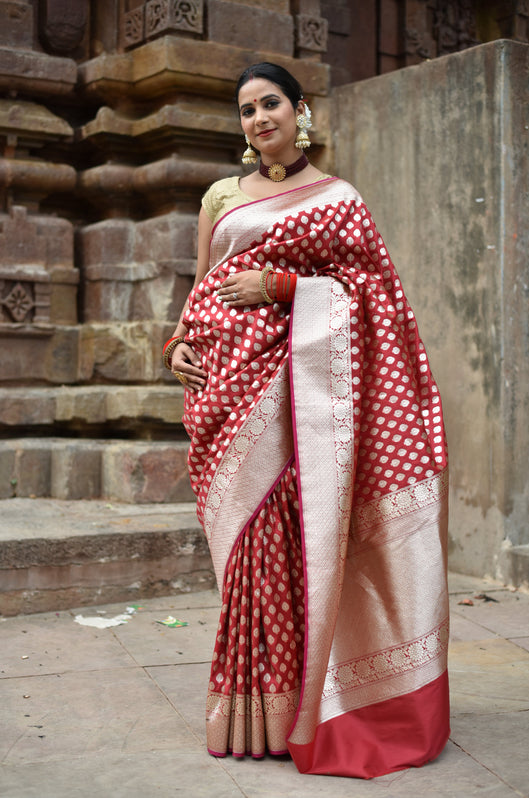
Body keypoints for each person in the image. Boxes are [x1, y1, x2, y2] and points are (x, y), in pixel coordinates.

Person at [162, 62, 450, 779]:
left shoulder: (339, 199)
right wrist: (175, 347)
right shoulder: (221, 196)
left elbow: (372, 293)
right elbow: (198, 288)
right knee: (242, 558)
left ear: (300, 111)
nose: (258, 119)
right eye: (245, 111)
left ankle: (297, 706)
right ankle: (250, 711)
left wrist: (281, 285)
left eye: (270, 104)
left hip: (297, 398)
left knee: (284, 543)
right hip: (222, 392)